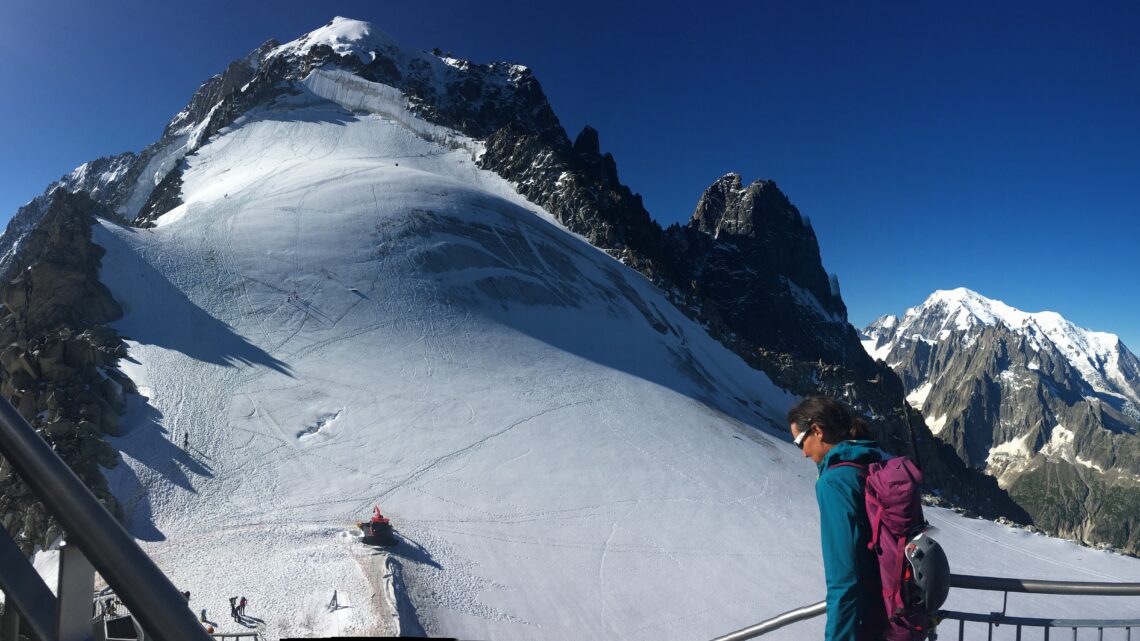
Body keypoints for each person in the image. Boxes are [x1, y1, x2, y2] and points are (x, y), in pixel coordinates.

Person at [788, 396, 888, 641]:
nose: (802, 453)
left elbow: (845, 576)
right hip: (893, 615)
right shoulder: (870, 463)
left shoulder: (835, 482)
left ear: (817, 431)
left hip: (865, 625)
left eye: (800, 442)